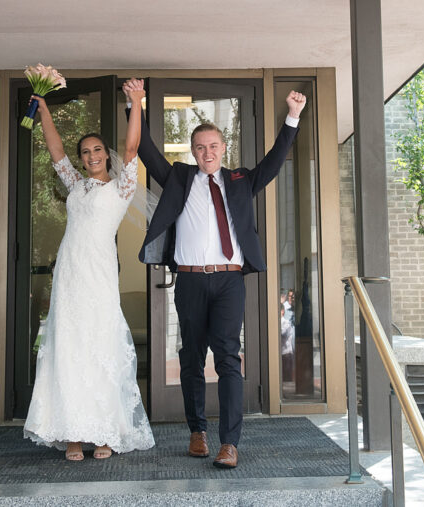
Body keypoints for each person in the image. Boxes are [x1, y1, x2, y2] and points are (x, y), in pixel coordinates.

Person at [128, 78, 305, 469]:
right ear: (193, 151)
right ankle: (197, 431)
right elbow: (145, 149)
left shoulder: (241, 181)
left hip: (228, 280)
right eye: (199, 147)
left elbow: (275, 161)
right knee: (191, 357)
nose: (207, 152)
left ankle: (230, 443)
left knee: (228, 357)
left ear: (223, 148)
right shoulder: (179, 178)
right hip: (190, 279)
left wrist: (292, 117)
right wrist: (134, 104)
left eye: (213, 146)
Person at [23, 80, 155, 462]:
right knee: (68, 347)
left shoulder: (121, 188)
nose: (92, 155)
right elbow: (55, 148)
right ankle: (72, 433)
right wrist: (44, 109)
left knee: (99, 346)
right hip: (69, 274)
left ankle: (104, 432)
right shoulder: (75, 185)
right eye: (86, 151)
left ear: (105, 155)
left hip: (98, 275)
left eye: (97, 149)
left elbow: (132, 148)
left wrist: (136, 102)